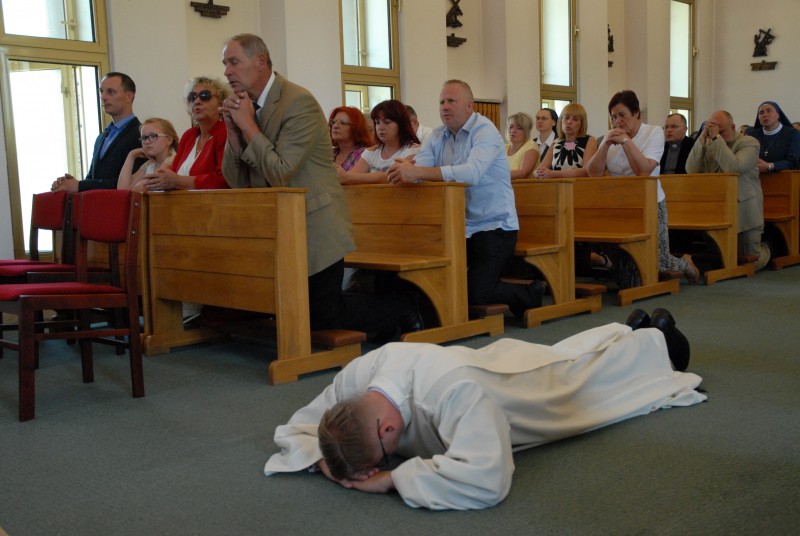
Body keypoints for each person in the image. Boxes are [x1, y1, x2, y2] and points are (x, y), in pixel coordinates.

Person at [264, 309, 705, 510]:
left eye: (380, 458)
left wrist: (392, 480)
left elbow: (488, 479)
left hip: (518, 391)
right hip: (487, 364)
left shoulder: (450, 393)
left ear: (386, 430)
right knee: (565, 357)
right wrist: (329, 465)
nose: (380, 465)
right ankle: (627, 331)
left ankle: (656, 342)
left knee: (580, 381)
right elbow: (300, 426)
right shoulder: (355, 381)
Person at [219, 33, 421, 337]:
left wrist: (247, 125)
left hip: (315, 223)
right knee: (299, 310)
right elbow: (236, 181)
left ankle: (404, 308)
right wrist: (234, 135)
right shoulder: (248, 107)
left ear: (260, 61)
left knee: (324, 314)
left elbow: (281, 172)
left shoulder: (297, 102)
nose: (227, 71)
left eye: (234, 62)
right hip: (281, 224)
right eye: (225, 64)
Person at [386, 80, 544, 316]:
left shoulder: (485, 131)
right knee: (436, 278)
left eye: (451, 101)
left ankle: (530, 292)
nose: (444, 107)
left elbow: (472, 173)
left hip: (495, 226)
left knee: (476, 293)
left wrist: (416, 172)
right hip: (459, 227)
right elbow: (420, 168)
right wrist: (405, 168)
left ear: (470, 105)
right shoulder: (437, 136)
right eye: (441, 102)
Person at [585, 90, 700, 286]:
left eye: (622, 115)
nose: (618, 121)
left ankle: (685, 264)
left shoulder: (653, 133)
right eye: (613, 117)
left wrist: (626, 141)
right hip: (620, 204)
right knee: (630, 281)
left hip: (651, 203)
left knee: (661, 261)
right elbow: (593, 172)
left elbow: (644, 171)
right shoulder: (609, 136)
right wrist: (605, 145)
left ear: (636, 112)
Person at [686, 111, 771, 271]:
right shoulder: (711, 143)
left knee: (749, 263)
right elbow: (691, 170)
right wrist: (701, 139)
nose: (716, 133)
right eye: (712, 130)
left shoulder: (749, 143)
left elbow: (734, 167)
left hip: (745, 213)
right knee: (721, 261)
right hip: (719, 210)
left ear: (733, 127)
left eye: (721, 131)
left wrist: (716, 138)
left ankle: (768, 249)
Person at [51, 72, 143, 192]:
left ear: (129, 96)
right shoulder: (102, 136)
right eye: (101, 91)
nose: (103, 97)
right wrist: (74, 184)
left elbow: (131, 182)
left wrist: (80, 186)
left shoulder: (141, 135)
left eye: (110, 92)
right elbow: (93, 177)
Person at [338, 100, 420, 185]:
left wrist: (348, 177)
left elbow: (394, 175)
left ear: (401, 124)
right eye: (377, 123)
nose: (380, 128)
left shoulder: (413, 150)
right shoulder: (371, 152)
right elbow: (348, 178)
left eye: (387, 122)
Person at [534, 103, 597, 179]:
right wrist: (539, 173)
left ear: (582, 123)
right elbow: (538, 169)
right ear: (561, 121)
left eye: (575, 119)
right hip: (557, 185)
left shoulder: (590, 140)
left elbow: (586, 171)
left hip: (578, 184)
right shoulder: (556, 142)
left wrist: (552, 174)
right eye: (566, 118)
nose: (569, 122)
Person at [116, 118, 179, 192]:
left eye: (153, 136)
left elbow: (147, 185)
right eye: (144, 138)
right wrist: (131, 155)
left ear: (169, 140)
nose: (147, 141)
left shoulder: (172, 160)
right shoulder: (149, 165)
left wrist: (135, 189)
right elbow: (122, 190)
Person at [745, 101, 800, 173]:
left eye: (769, 111)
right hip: (755, 177)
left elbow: (793, 162)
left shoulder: (793, 134)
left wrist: (770, 166)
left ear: (778, 114)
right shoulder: (751, 136)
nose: (765, 115)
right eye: (761, 112)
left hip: (785, 178)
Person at [329, 106, 373, 174]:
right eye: (333, 122)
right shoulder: (330, 153)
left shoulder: (365, 154)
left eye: (343, 123)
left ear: (356, 128)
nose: (335, 126)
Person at [505, 112, 539, 179]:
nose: (513, 130)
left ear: (526, 132)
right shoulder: (503, 148)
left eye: (519, 128)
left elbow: (523, 173)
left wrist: (497, 175)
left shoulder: (531, 146)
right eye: (511, 127)